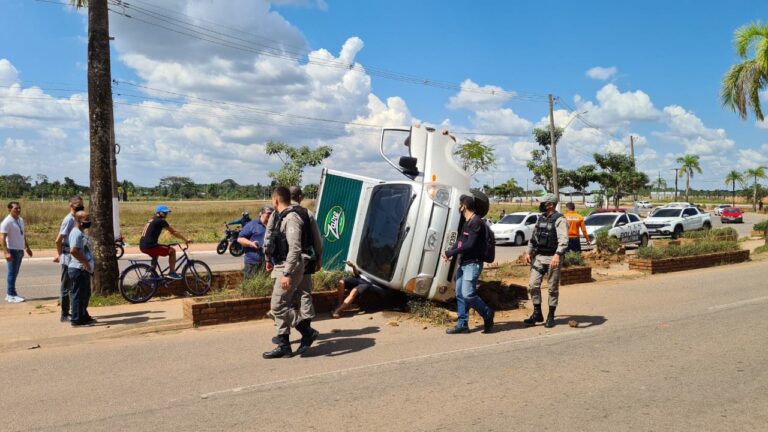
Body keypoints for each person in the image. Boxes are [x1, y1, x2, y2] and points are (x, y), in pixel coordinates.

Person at [262, 187, 318, 359]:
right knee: (281, 304)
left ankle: (306, 331)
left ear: (276, 200)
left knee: (278, 306)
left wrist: (286, 273)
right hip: (282, 264)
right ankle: (284, 344)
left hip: (290, 266)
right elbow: (270, 237)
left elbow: (295, 248)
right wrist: (269, 258)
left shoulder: (292, 217)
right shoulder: (279, 215)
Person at [442, 194, 494, 334]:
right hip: (464, 263)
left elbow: (470, 245)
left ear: (464, 205)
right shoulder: (467, 222)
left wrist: (451, 254)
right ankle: (462, 324)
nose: (458, 207)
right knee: (459, 293)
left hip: (473, 264)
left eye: (460, 204)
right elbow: (460, 242)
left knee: (468, 294)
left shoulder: (476, 222)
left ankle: (487, 313)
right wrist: (449, 251)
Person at [523, 193, 568, 328]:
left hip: (553, 258)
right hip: (539, 257)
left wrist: (557, 255)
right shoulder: (541, 218)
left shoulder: (560, 220)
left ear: (550, 205)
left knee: (552, 288)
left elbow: (564, 240)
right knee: (532, 285)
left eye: (543, 203)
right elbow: (534, 237)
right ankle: (537, 313)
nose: (540, 205)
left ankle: (551, 316)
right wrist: (528, 252)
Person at [53, 196, 84, 321]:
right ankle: (64, 314)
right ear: (70, 205)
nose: (80, 207)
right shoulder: (69, 220)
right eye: (77, 205)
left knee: (73, 285)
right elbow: (58, 240)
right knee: (66, 286)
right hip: (68, 255)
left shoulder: (77, 218)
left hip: (74, 255)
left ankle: (73, 311)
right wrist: (60, 255)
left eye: (82, 205)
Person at [139, 205, 190, 280]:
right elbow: (173, 232)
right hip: (150, 246)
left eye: (167, 213)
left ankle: (153, 274)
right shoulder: (161, 221)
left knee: (156, 254)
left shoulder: (152, 219)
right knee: (172, 251)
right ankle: (172, 273)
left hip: (143, 245)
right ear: (159, 212)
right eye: (164, 213)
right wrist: (185, 240)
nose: (166, 214)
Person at [68, 210, 96, 326]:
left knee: (85, 294)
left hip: (84, 268)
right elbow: (73, 250)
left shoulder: (81, 232)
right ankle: (76, 319)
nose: (88, 221)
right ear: (78, 220)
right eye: (86, 219)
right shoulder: (76, 233)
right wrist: (85, 262)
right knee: (78, 295)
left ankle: (83, 315)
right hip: (78, 268)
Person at [1, 202, 33, 303]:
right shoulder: (7, 222)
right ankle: (10, 295)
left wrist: (27, 247)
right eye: (16, 209)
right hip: (12, 250)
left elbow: (22, 234)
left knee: (15, 273)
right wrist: (6, 252)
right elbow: (2, 238)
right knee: (12, 273)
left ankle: (13, 294)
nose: (18, 210)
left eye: (19, 208)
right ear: (9, 209)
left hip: (19, 250)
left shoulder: (20, 220)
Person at [237, 206, 273, 278]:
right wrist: (251, 243)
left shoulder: (274, 226)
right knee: (251, 285)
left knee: (266, 285)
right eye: (268, 213)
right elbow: (240, 239)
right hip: (253, 262)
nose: (271, 215)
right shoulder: (252, 224)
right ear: (261, 214)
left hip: (269, 262)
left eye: (272, 214)